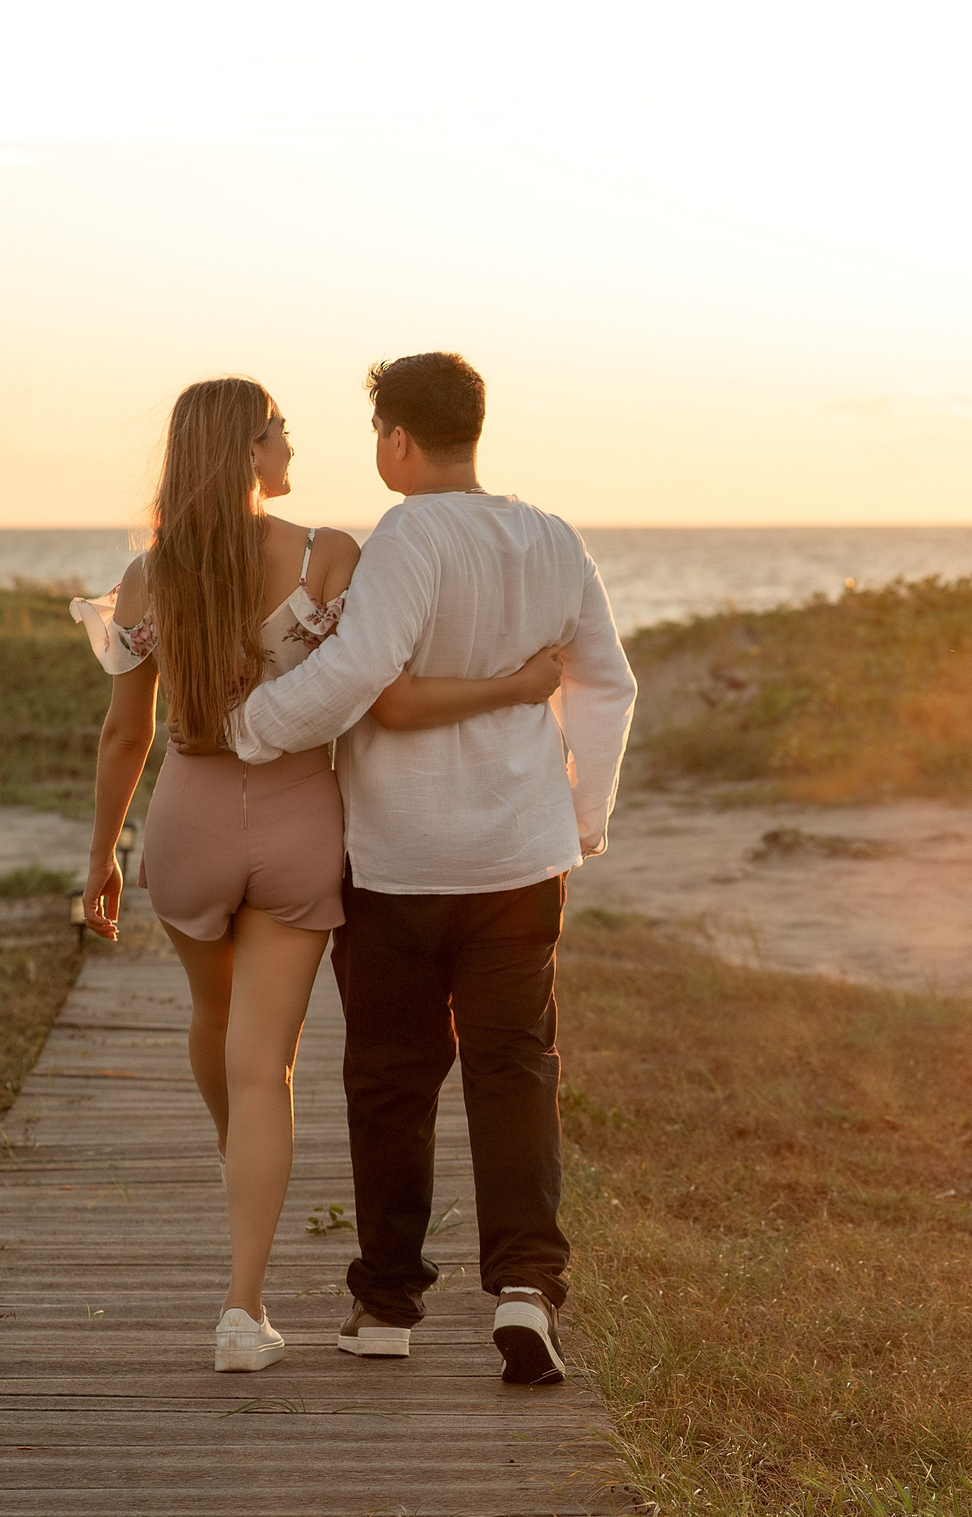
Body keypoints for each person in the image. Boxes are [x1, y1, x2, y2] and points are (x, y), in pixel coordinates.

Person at [75, 375, 566, 1374]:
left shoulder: (147, 575)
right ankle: (240, 1311)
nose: (291, 446)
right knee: (267, 1065)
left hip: (188, 819)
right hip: (299, 820)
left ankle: (248, 1211)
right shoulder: (327, 555)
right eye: (280, 433)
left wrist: (101, 858)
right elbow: (368, 682)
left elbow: (127, 733)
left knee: (214, 1026)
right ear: (249, 452)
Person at [227, 351, 636, 1386]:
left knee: (391, 1076)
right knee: (515, 1069)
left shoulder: (407, 534)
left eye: (378, 434)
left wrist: (252, 728)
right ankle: (527, 1287)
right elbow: (607, 683)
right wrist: (582, 818)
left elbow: (360, 671)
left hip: (400, 860)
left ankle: (387, 1304)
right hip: (521, 857)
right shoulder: (553, 535)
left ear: (398, 439)